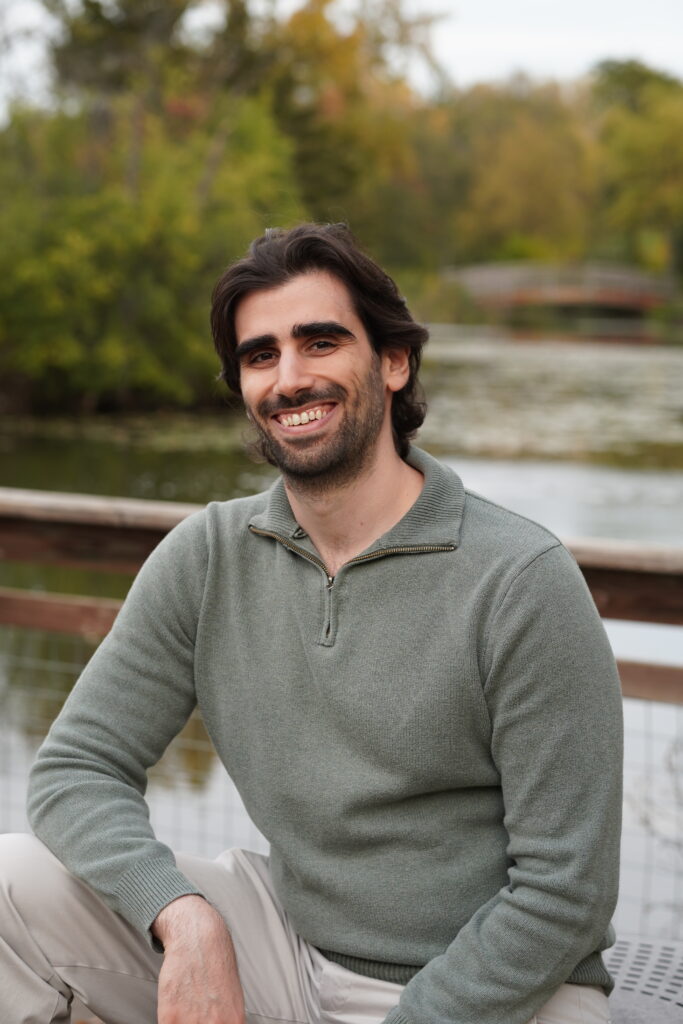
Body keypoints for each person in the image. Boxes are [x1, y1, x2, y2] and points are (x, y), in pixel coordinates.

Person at [0, 223, 623, 1024]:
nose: (288, 379)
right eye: (260, 356)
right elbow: (75, 769)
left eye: (319, 342)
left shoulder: (520, 580)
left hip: (505, 985)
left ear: (392, 362)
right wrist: (184, 920)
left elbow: (564, 891)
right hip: (289, 941)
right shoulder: (207, 556)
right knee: (10, 884)